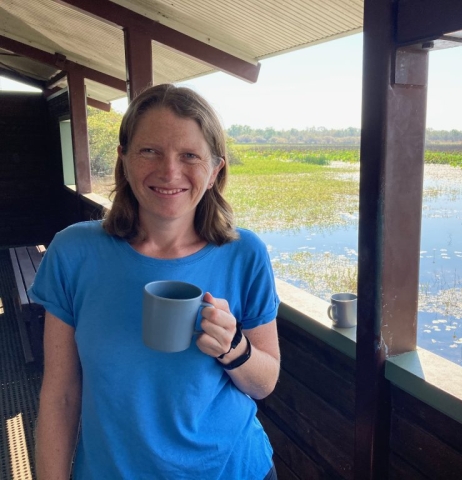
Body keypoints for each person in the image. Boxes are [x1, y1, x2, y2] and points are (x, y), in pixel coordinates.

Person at [29, 84, 281, 479]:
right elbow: (60, 395)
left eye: (190, 156)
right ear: (124, 159)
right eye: (150, 151)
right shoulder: (73, 252)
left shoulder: (245, 253)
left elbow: (265, 383)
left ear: (215, 170)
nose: (169, 171)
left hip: (234, 467)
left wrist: (234, 347)